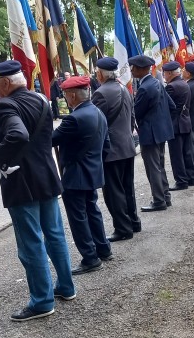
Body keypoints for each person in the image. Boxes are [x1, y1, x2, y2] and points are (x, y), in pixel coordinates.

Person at [0, 60, 75, 321]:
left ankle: (41, 301)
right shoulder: (40, 99)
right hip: (46, 175)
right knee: (54, 234)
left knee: (31, 244)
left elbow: (18, 134)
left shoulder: (5, 104)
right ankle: (66, 287)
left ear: (5, 83)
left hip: (21, 180)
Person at [52, 75, 111, 275]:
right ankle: (103, 248)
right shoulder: (97, 112)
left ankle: (90, 257)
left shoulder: (74, 118)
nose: (66, 99)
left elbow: (52, 139)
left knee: (78, 218)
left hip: (75, 174)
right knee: (92, 211)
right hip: (92, 171)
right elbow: (106, 146)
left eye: (66, 95)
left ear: (73, 96)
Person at [91, 57, 141, 242]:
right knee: (127, 187)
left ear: (100, 74)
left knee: (114, 191)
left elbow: (97, 123)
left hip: (112, 150)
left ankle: (122, 228)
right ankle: (133, 222)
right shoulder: (123, 87)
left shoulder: (100, 93)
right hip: (127, 145)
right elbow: (131, 116)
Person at [131, 55, 175, 211]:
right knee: (160, 166)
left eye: (134, 67)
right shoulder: (157, 83)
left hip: (150, 133)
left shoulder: (144, 88)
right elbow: (171, 105)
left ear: (142, 69)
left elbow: (138, 112)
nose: (132, 70)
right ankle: (165, 197)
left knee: (153, 168)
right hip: (161, 132)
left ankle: (158, 200)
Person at [163, 61, 194, 191]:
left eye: (165, 73)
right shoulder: (184, 84)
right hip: (185, 122)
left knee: (177, 155)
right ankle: (190, 178)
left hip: (176, 124)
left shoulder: (171, 87)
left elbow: (167, 107)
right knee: (187, 153)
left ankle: (181, 181)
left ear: (170, 73)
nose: (164, 75)